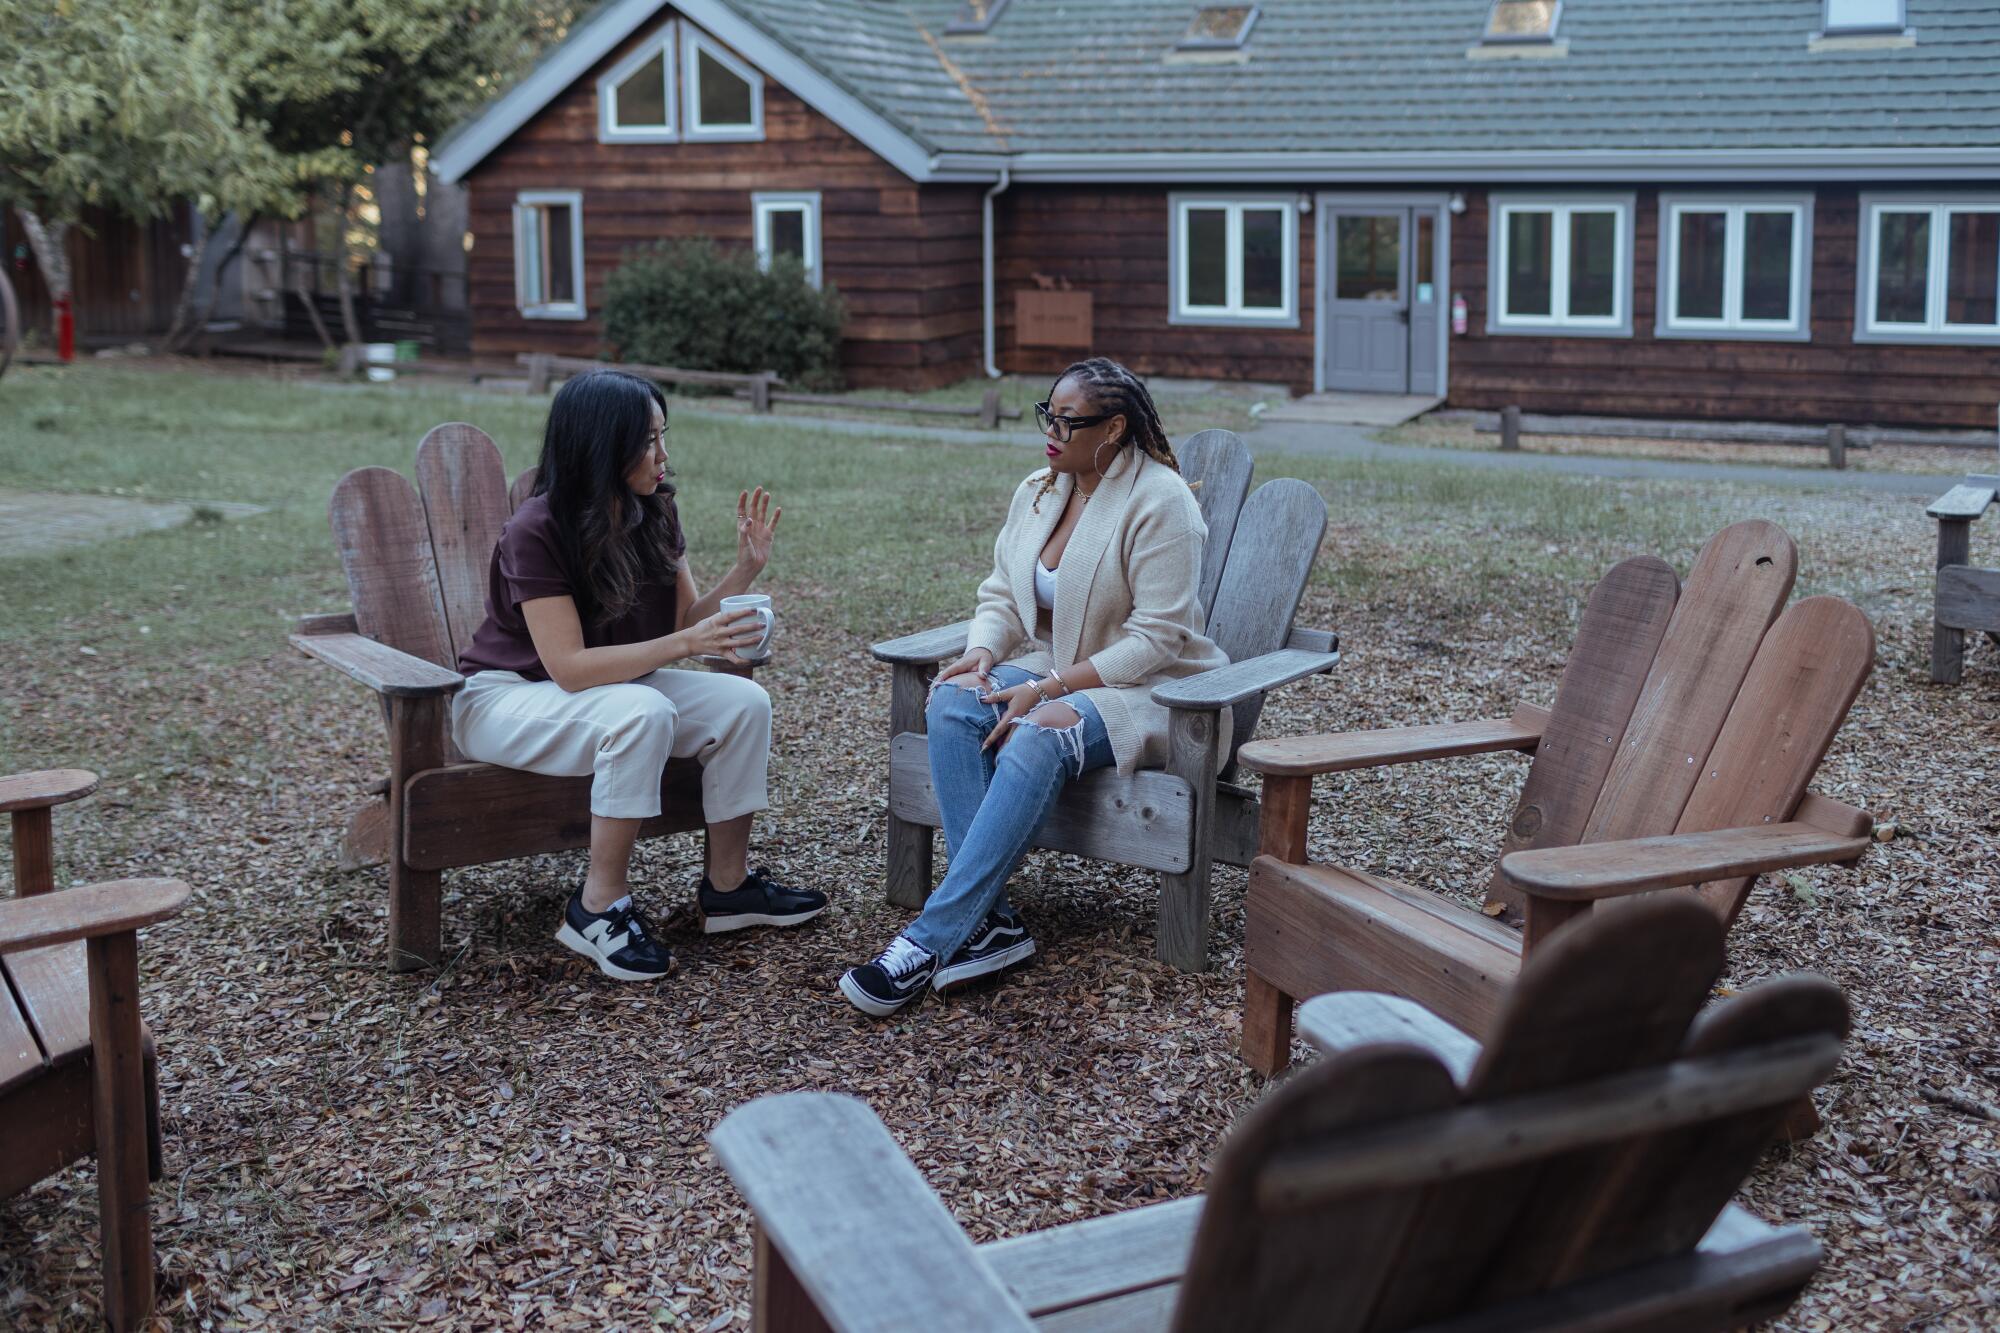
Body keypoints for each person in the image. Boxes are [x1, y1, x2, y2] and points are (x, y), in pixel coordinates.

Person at [840, 357, 1228, 1015]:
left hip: (1155, 689)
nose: (1051, 430)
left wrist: (1048, 688)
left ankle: (930, 939)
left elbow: (1157, 640)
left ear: (1113, 429)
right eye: (1047, 412)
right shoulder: (1041, 490)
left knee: (1040, 734)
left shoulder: (1161, 503)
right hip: (1065, 664)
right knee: (956, 698)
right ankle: (990, 923)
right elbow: (1000, 593)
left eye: (1068, 421)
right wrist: (984, 651)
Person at [453, 369, 826, 981]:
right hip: (506, 699)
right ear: (602, 446)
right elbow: (569, 669)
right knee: (643, 711)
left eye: (663, 435)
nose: (663, 455)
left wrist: (743, 574)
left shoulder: (653, 511)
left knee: (741, 703)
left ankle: (729, 889)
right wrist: (685, 642)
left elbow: (687, 619)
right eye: (649, 440)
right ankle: (597, 908)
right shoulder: (536, 530)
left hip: (609, 691)